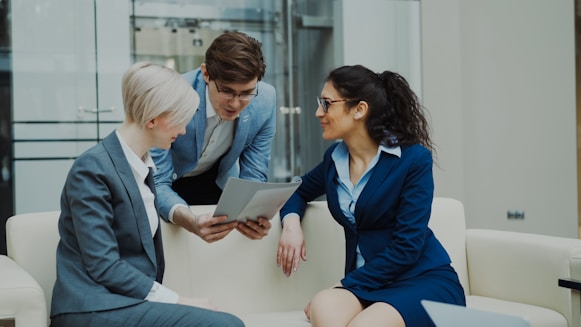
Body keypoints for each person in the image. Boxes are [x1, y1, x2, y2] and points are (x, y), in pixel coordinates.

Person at [50, 62, 244, 327]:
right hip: (92, 307)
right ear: (152, 119)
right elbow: (104, 266)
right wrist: (178, 300)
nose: (184, 130)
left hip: (126, 303)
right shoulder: (92, 168)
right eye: (179, 119)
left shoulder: (143, 168)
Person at [276, 65, 465, 327]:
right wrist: (292, 224)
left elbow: (406, 247)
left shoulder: (412, 160)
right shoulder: (334, 160)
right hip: (366, 285)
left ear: (359, 109)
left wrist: (342, 285)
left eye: (327, 104)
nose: (318, 112)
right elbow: (297, 192)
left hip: (421, 279)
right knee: (323, 306)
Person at [151, 31, 276, 243]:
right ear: (206, 74)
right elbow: (157, 180)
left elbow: (254, 173)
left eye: (246, 93)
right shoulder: (171, 98)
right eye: (226, 91)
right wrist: (189, 220)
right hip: (167, 182)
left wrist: (252, 214)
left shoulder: (265, 100)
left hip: (216, 180)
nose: (235, 104)